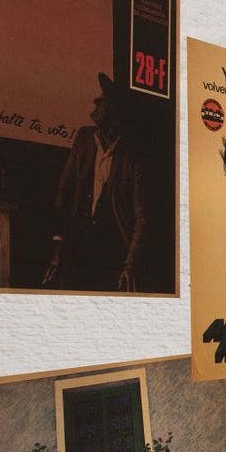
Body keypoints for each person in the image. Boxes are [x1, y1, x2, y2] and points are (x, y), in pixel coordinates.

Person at [44, 72, 149, 292]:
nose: (96, 102)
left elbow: (143, 218)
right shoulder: (84, 138)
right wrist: (58, 244)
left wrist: (130, 265)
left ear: (117, 112)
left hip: (115, 250)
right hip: (77, 241)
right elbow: (64, 191)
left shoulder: (134, 156)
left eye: (103, 99)